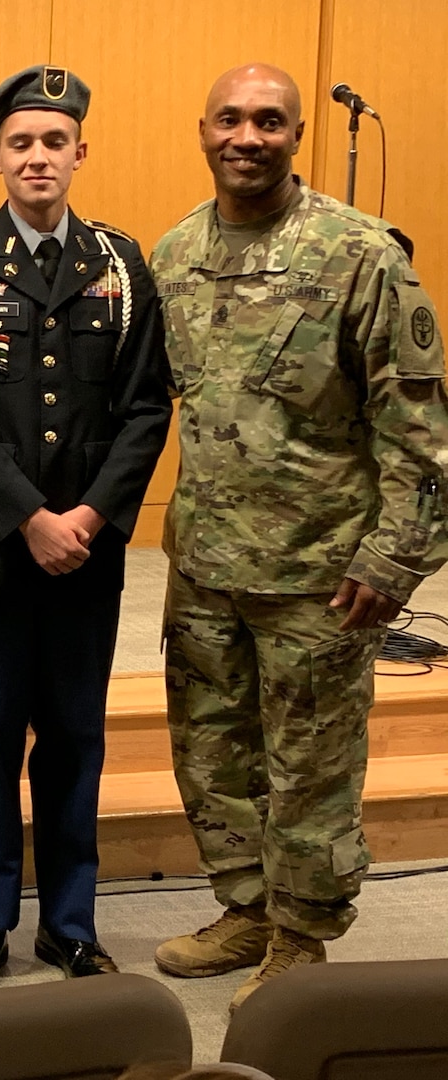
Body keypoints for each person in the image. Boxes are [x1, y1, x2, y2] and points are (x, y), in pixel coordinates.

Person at [151, 63, 448, 1012]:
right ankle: (243, 906)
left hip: (320, 572)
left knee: (311, 764)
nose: (247, 136)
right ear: (201, 131)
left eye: (268, 121)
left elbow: (418, 427)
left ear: (293, 137)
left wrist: (393, 557)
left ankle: (299, 936)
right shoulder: (172, 254)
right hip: (203, 564)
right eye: (230, 119)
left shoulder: (358, 253)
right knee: (210, 752)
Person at [0, 66, 171, 992]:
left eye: (52, 142)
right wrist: (29, 518)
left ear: (78, 154)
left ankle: (68, 922)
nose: (36, 158)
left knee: (73, 741)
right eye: (19, 143)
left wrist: (89, 520)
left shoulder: (119, 262)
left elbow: (145, 408)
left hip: (85, 559)